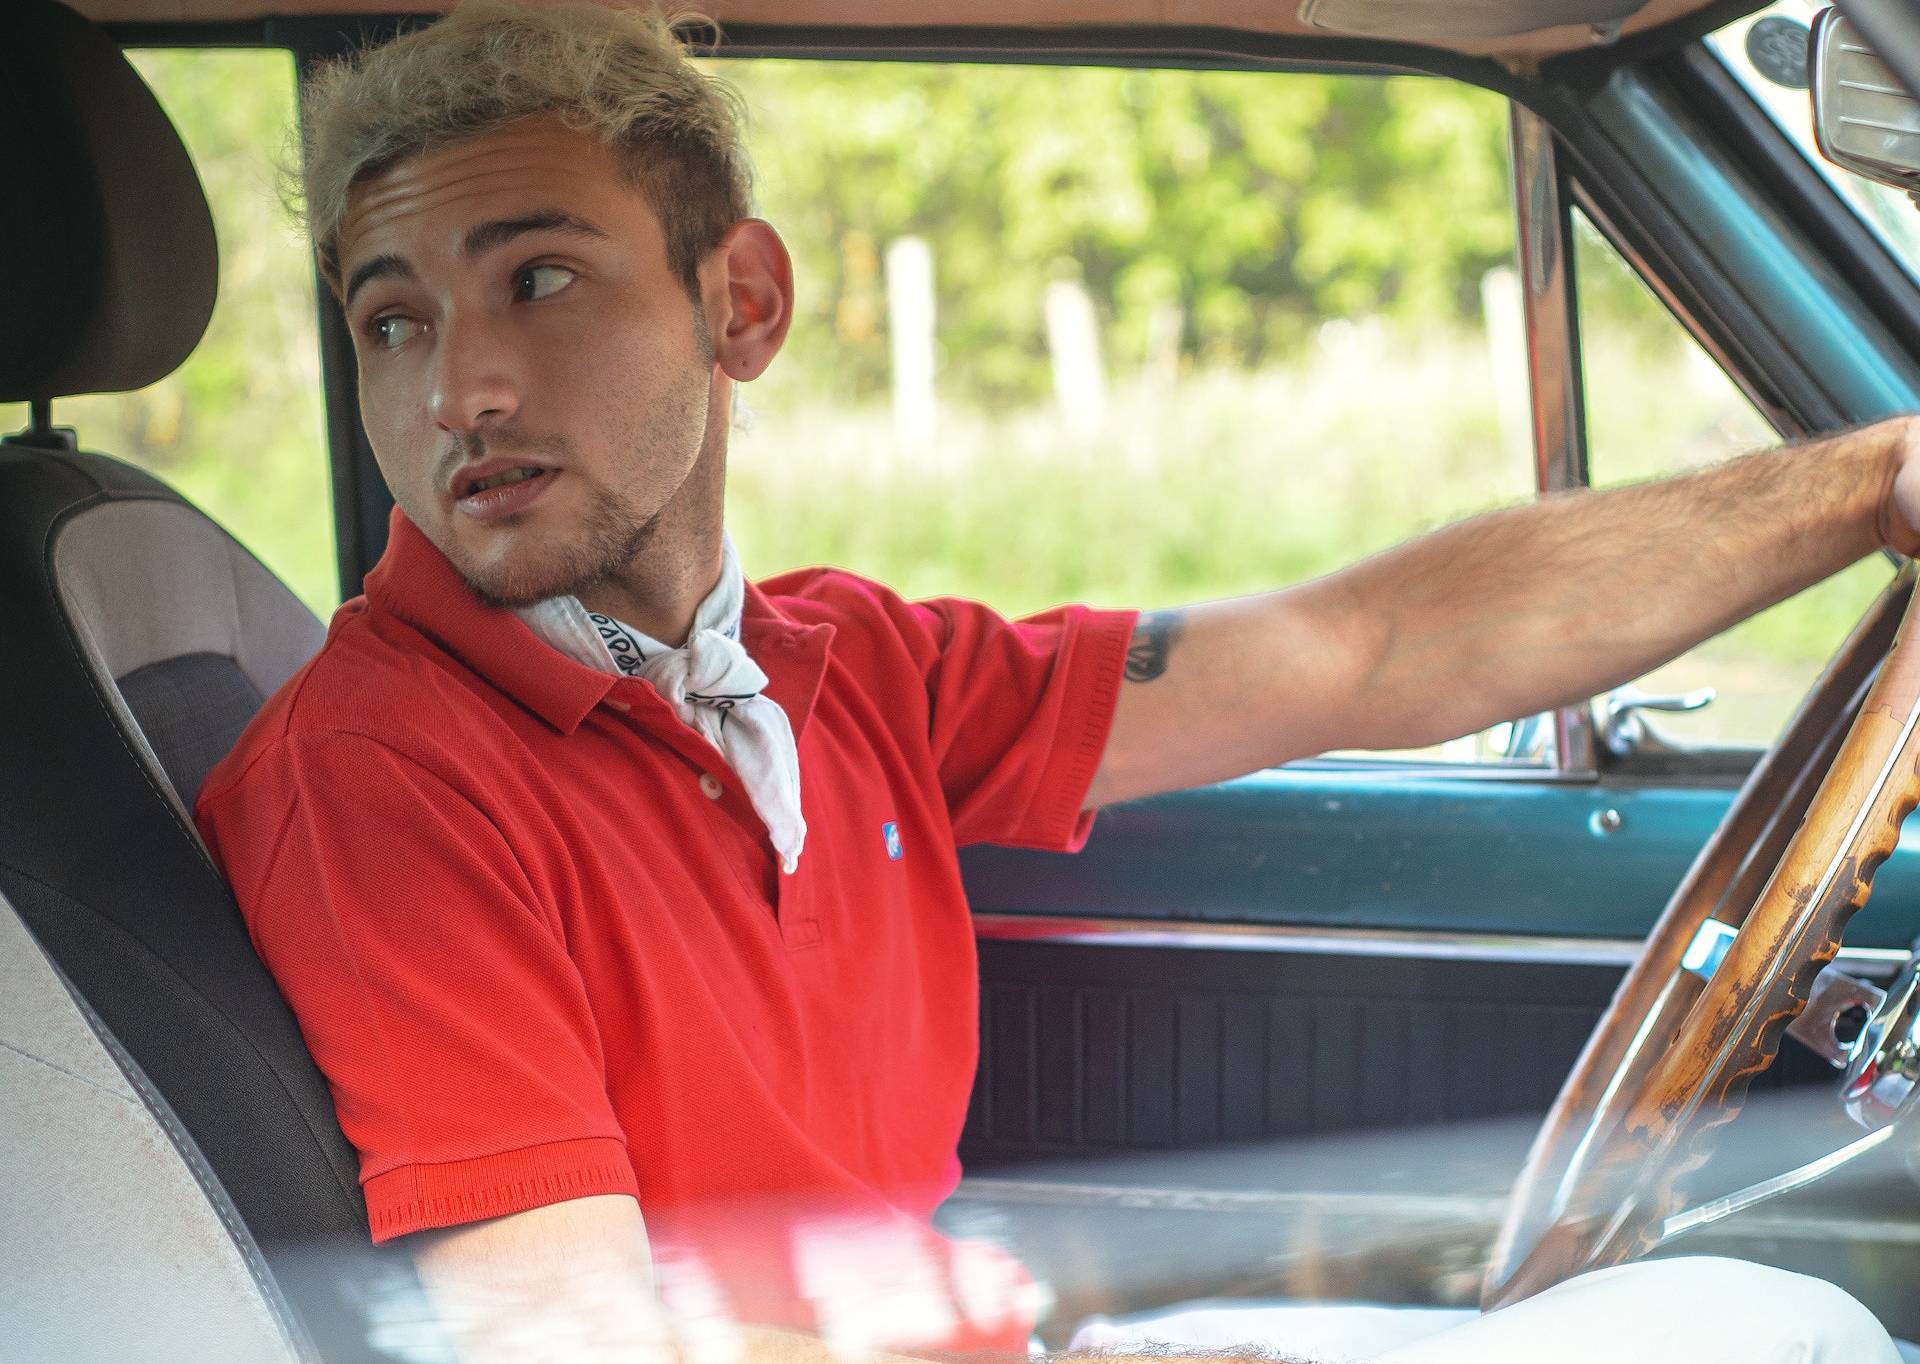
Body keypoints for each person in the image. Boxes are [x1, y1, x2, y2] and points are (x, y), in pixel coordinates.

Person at [193, 3, 1916, 1361]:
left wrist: (1863, 488)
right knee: (1785, 1329)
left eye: (539, 279)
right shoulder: (376, 774)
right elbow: (565, 1341)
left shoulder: (841, 662)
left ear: (744, 302)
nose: (461, 390)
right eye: (390, 320)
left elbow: (1359, 649)